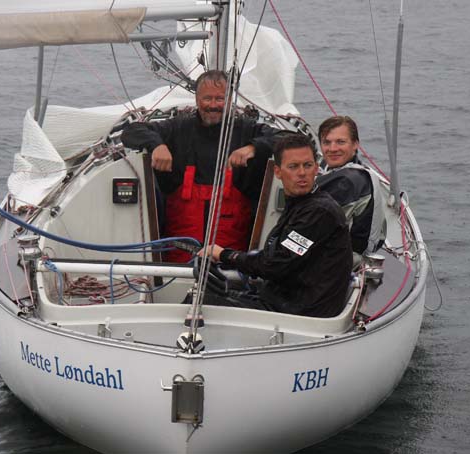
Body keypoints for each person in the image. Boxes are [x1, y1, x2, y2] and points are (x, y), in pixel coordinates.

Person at [121, 70, 278, 262]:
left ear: (230, 100)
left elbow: (290, 140)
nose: (213, 105)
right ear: (196, 99)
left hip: (230, 261)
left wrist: (254, 148)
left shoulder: (248, 129)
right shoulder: (178, 128)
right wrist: (157, 145)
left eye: (220, 98)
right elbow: (130, 132)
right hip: (179, 258)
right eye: (207, 98)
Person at [200, 134, 353, 318]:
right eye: (293, 167)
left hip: (299, 314)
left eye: (307, 165)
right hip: (281, 300)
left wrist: (223, 254)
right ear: (278, 172)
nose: (302, 173)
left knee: (202, 304)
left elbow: (275, 265)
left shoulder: (319, 213)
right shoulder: (300, 205)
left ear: (316, 169)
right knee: (201, 292)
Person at [315, 116, 385, 259]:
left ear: (355, 144)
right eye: (327, 142)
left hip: (343, 260)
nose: (333, 148)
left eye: (340, 142)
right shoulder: (356, 171)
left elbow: (315, 230)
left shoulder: (347, 182)